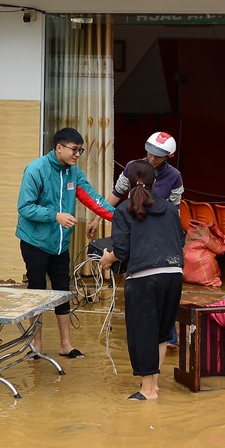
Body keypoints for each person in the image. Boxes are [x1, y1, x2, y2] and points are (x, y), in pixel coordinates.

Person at [17, 127, 115, 359]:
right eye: (74, 149)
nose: (77, 154)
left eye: (80, 150)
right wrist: (55, 216)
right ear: (59, 147)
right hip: (35, 242)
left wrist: (121, 218)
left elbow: (94, 200)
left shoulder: (73, 173)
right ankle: (36, 345)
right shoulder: (36, 170)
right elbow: (24, 207)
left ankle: (66, 344)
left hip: (60, 244)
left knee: (62, 291)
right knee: (37, 291)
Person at [87, 131, 184, 347]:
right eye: (150, 152)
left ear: (169, 156)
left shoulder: (174, 176)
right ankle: (145, 336)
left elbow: (175, 209)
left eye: (158, 155)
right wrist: (97, 219)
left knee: (164, 289)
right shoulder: (133, 167)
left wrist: (176, 238)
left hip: (158, 232)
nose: (152, 157)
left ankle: (168, 336)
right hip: (136, 230)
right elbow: (116, 193)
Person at [99, 159, 185, 401]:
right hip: (173, 275)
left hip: (144, 278)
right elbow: (180, 240)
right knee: (162, 333)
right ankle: (153, 385)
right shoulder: (169, 208)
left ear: (128, 183)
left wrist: (107, 258)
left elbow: (122, 251)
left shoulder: (123, 210)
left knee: (143, 332)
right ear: (154, 181)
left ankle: (147, 391)